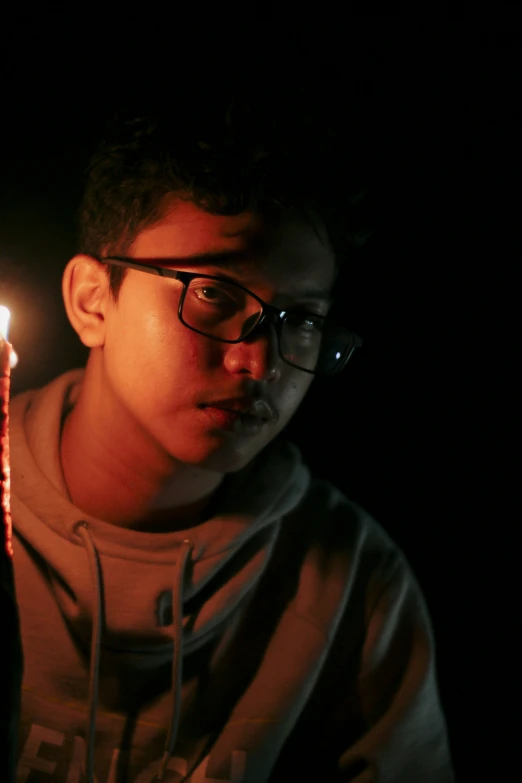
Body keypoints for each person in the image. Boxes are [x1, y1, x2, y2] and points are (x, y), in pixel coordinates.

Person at [9, 88, 455, 782]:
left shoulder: (351, 586)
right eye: (213, 293)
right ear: (92, 300)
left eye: (300, 317)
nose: (258, 361)